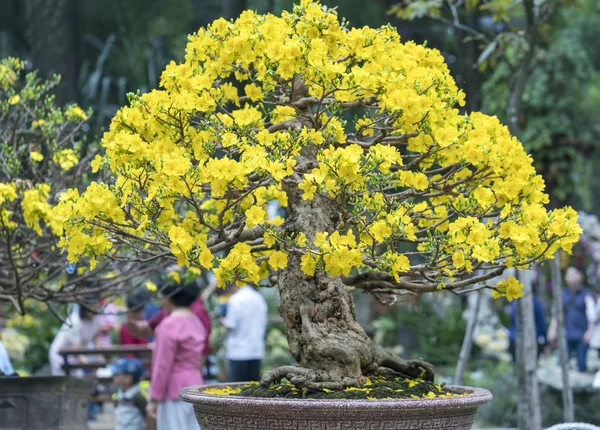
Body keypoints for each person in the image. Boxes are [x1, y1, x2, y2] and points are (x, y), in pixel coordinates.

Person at [147, 281, 205, 430]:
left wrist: (153, 398)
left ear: (169, 298)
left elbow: (162, 365)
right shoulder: (196, 321)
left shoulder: (168, 325)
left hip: (173, 390)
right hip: (196, 387)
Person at [127, 280, 212, 362]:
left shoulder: (197, 313)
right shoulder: (167, 311)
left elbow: (203, 348)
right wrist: (131, 315)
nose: (161, 299)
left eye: (163, 295)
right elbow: (146, 328)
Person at [549, 267, 594, 372]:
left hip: (582, 335)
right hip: (566, 334)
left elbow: (592, 315)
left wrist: (589, 331)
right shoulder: (562, 294)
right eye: (568, 275)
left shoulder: (587, 294)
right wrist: (552, 330)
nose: (571, 278)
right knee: (561, 364)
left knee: (582, 365)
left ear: (580, 276)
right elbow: (556, 314)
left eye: (573, 275)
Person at [222, 284, 268, 382]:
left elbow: (231, 325)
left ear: (234, 285)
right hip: (255, 350)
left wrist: (223, 321)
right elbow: (264, 321)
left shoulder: (235, 299)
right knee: (254, 389)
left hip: (238, 351)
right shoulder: (258, 297)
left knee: (237, 389)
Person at [48, 304, 102, 376]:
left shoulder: (96, 321)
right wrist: (88, 363)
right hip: (60, 355)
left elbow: (96, 339)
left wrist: (99, 357)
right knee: (64, 378)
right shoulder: (75, 321)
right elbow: (75, 349)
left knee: (78, 378)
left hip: (74, 356)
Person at [508, 286, 548, 362]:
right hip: (531, 339)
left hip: (514, 339)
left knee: (516, 366)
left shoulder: (514, 303)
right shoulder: (536, 303)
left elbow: (511, 323)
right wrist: (545, 342)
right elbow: (541, 323)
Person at [109, 358, 147, 430]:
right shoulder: (118, 393)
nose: (114, 376)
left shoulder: (138, 396)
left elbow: (148, 416)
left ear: (128, 378)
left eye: (117, 374)